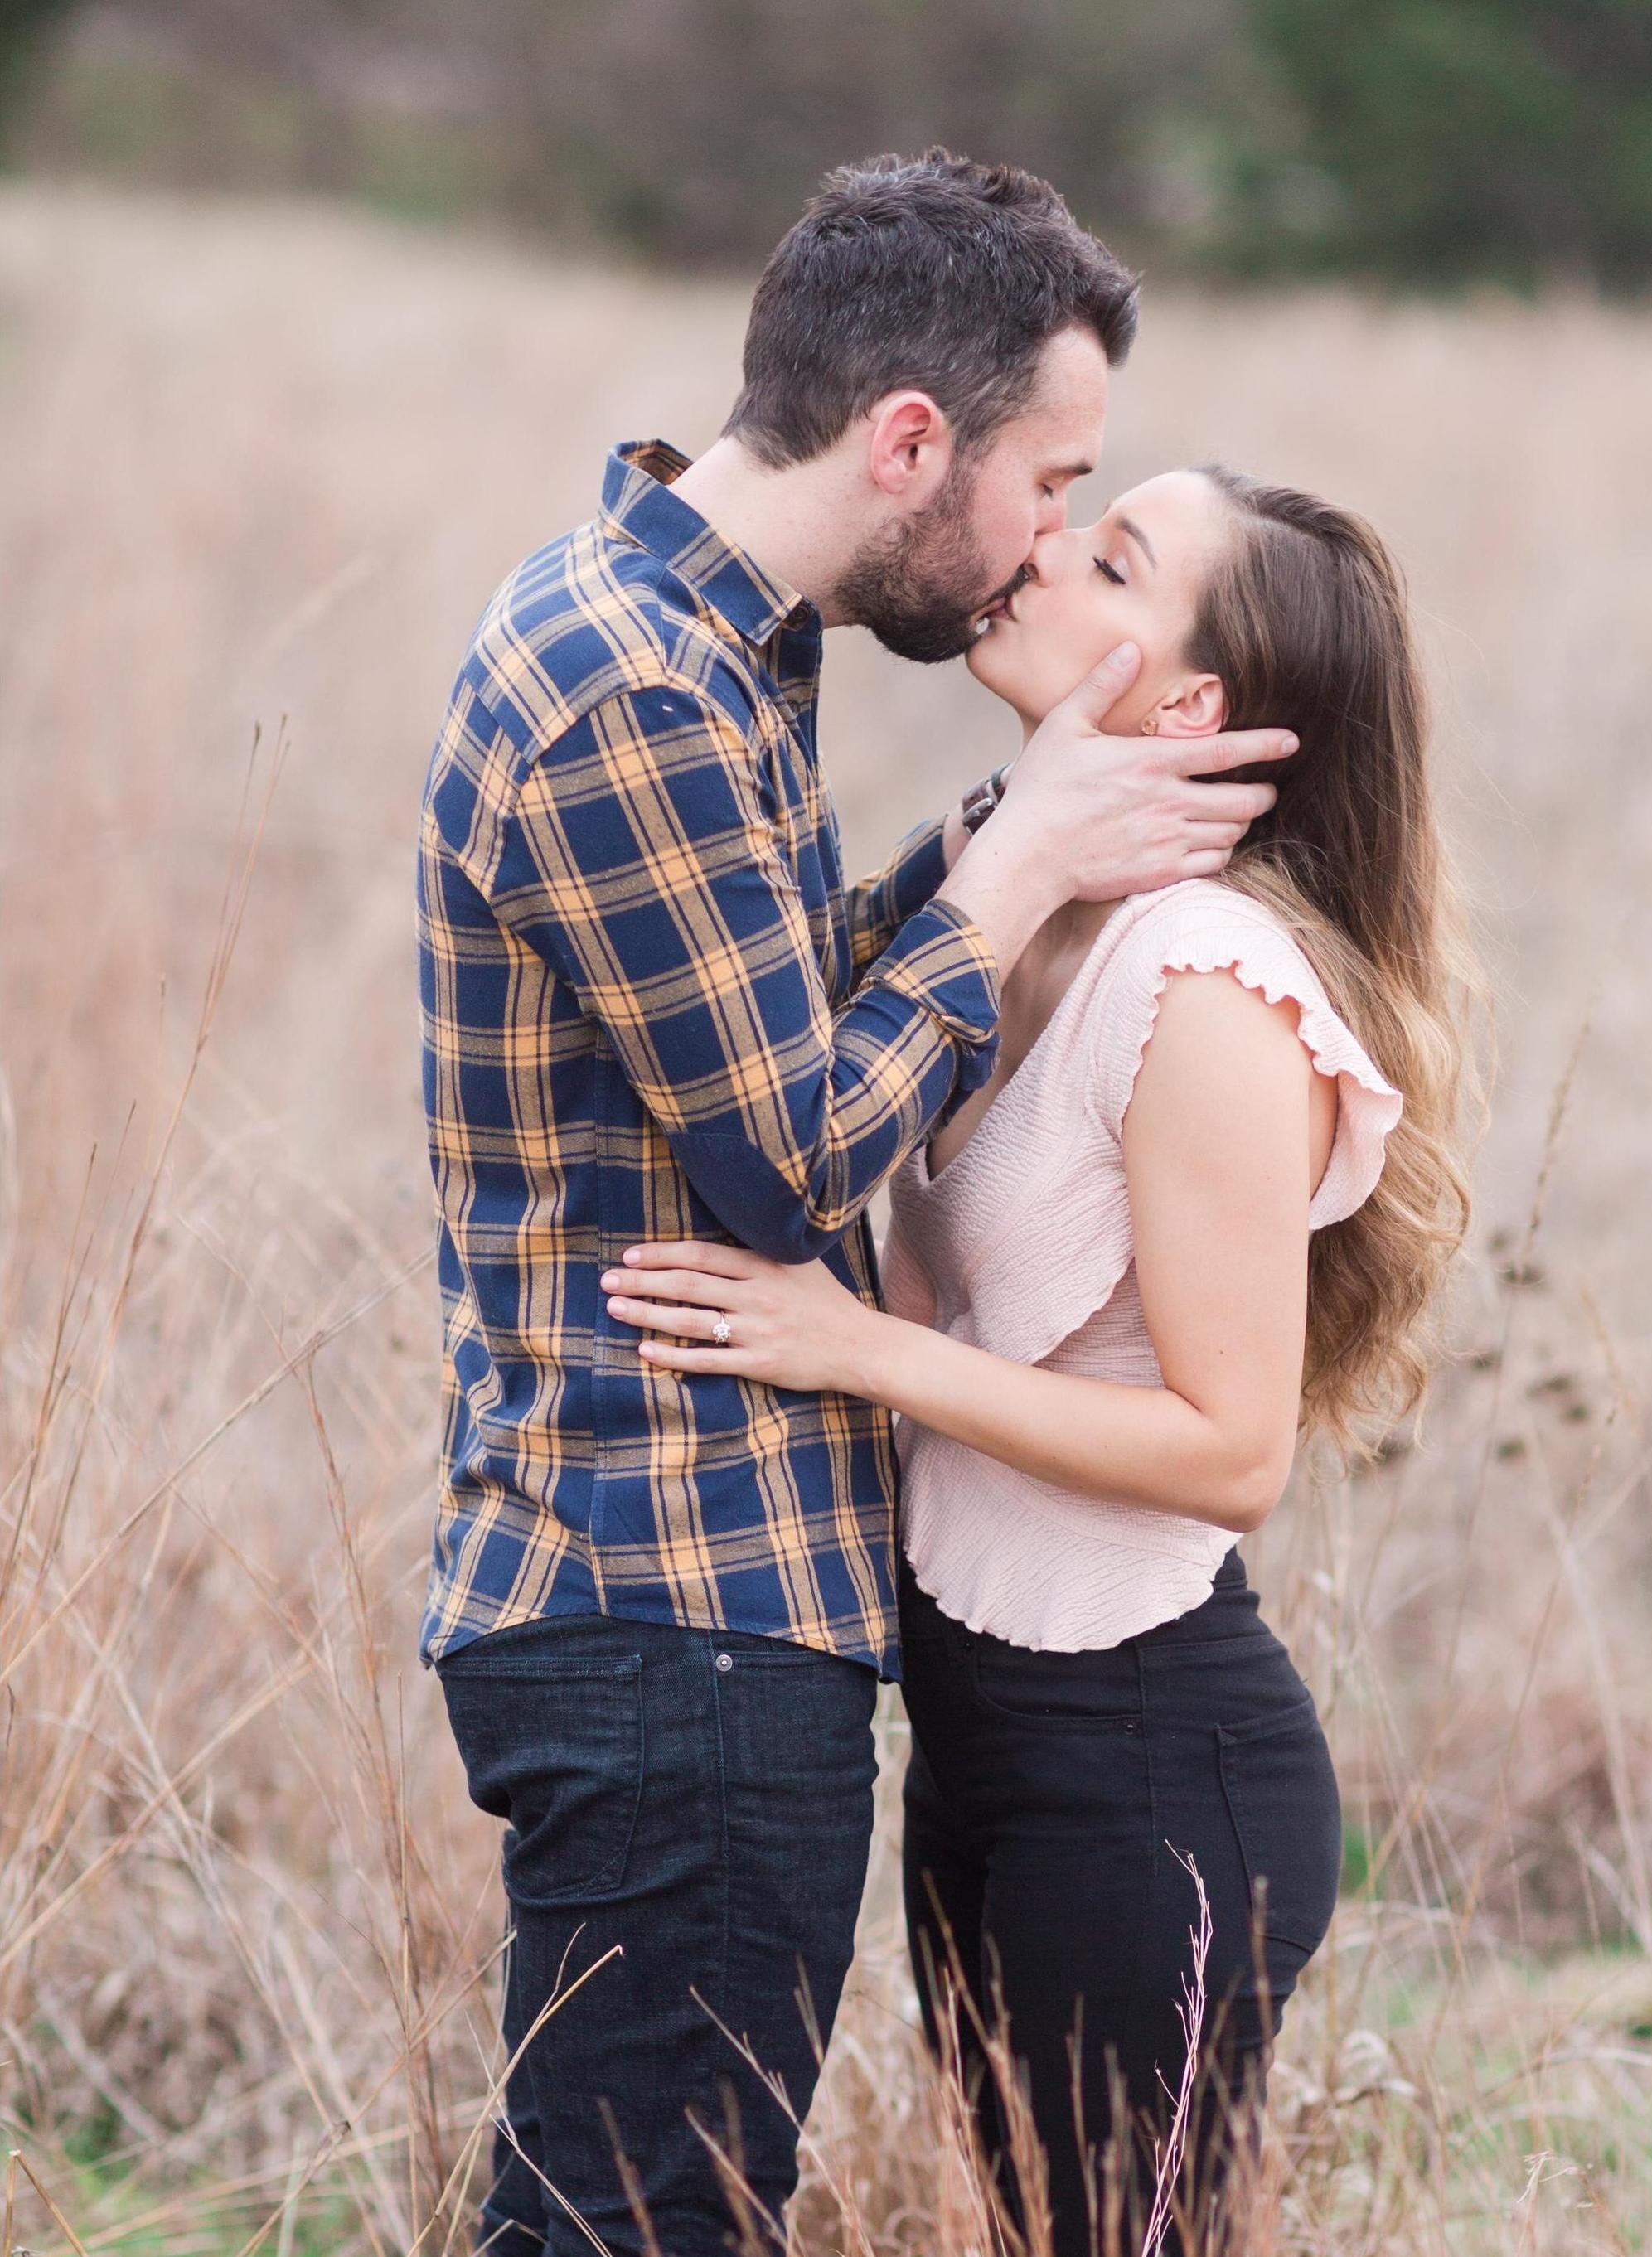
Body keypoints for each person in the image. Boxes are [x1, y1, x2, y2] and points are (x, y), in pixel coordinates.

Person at [415, 152, 1298, 2257]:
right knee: (640, 2227)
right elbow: (800, 1152)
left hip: (693, 1608)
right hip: (671, 1598)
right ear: (911, 442)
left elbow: (761, 1014)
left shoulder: (703, 643)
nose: (1045, 537)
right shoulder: (640, 687)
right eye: (1048, 480)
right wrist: (1020, 867)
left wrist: (1012, 831)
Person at [606, 464, 1475, 2253]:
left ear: (1191, 708)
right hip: (987, 1747)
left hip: (1147, 1772)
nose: (1046, 548)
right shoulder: (1029, 921)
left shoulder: (1204, 981)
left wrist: (854, 1349)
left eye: (1115, 559)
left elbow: (1234, 1449)